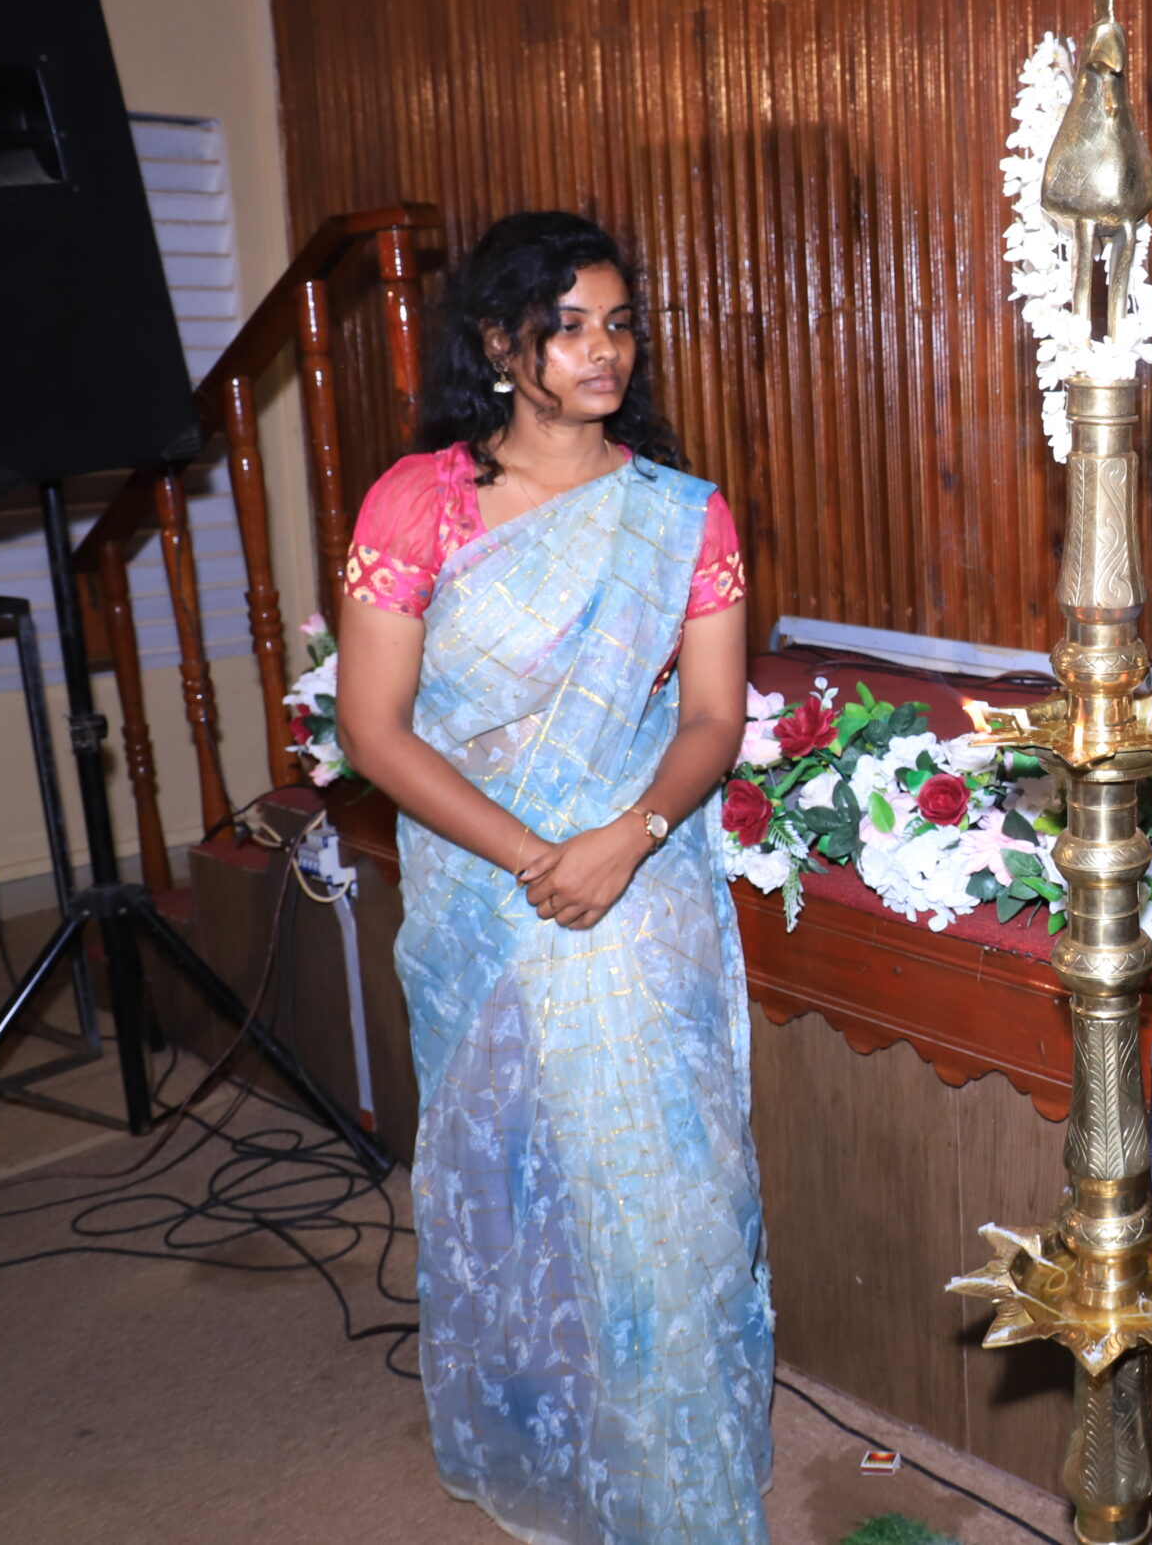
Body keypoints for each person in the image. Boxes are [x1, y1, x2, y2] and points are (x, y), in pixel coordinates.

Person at [335, 212, 771, 1544]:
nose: (603, 350)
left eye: (619, 323)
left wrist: (628, 836)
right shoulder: (418, 503)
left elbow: (711, 715)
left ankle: (678, 1469)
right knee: (520, 1172)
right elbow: (376, 730)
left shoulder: (680, 513)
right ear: (496, 342)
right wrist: (539, 857)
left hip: (642, 876)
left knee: (671, 1186)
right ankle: (553, 1433)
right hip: (490, 885)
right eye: (568, 325)